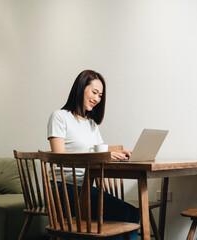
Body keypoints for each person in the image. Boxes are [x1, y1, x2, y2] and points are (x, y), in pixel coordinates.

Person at [47, 69, 139, 240]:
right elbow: (59, 158)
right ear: (80, 89)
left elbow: (100, 151)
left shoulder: (91, 124)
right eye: (94, 92)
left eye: (100, 95)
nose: (97, 99)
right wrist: (98, 155)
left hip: (86, 188)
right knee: (127, 213)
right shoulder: (59, 117)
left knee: (129, 214)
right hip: (63, 188)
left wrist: (116, 153)